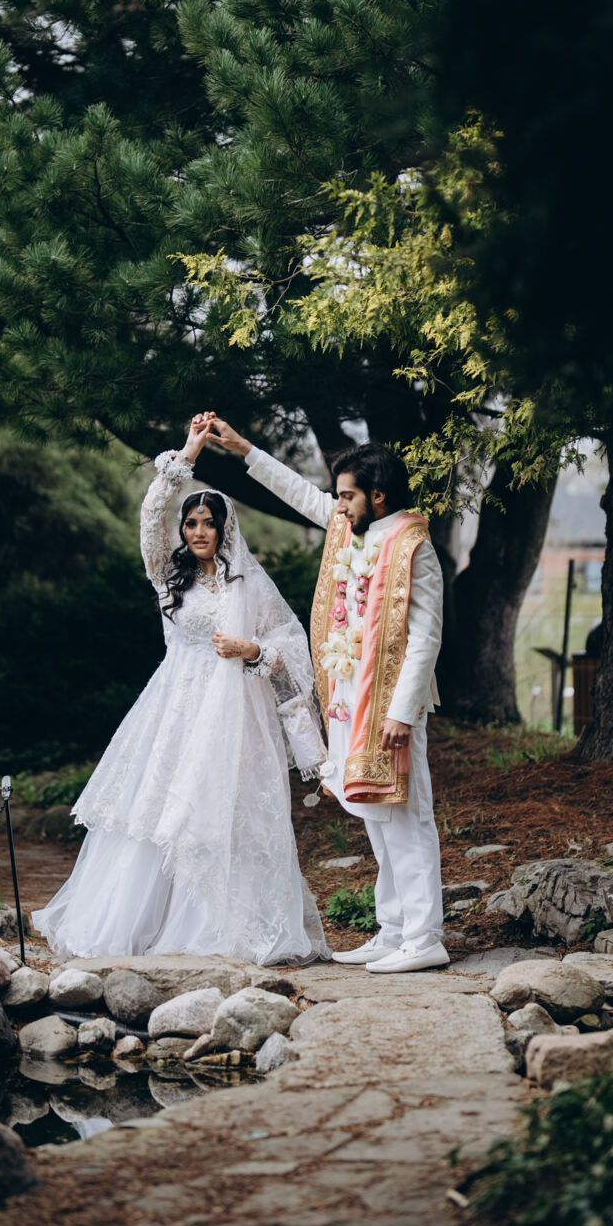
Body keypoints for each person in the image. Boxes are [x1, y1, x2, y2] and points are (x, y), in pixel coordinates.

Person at [32, 414, 328, 965]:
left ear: (224, 529)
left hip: (232, 716)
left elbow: (291, 644)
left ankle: (213, 925)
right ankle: (143, 922)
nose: (197, 531)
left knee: (221, 813)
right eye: (190, 522)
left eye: (208, 523)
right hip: (172, 710)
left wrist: (252, 650)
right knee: (160, 810)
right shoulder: (168, 576)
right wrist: (188, 454)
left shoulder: (248, 584)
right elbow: (151, 515)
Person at [206, 417, 448, 973]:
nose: (336, 505)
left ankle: (425, 937)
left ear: (377, 495)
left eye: (346, 496)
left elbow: (425, 638)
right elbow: (299, 494)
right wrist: (245, 450)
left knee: (407, 818)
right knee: (374, 814)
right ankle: (393, 929)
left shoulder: (413, 548)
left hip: (390, 707)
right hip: (349, 700)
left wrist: (402, 712)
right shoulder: (352, 528)